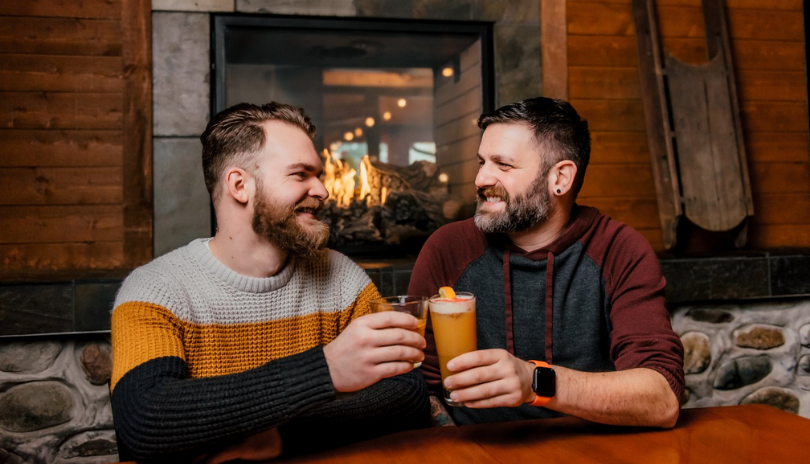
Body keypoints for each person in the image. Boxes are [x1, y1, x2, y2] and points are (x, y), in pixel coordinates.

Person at [111, 102, 430, 462]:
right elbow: (145, 420)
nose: (324, 190)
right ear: (239, 185)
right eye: (300, 175)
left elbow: (408, 394)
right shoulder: (156, 289)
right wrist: (325, 371)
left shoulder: (340, 275)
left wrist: (280, 438)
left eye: (319, 175)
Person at [408, 97, 684, 428]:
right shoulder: (448, 248)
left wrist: (536, 381)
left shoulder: (619, 249)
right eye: (482, 162)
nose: (481, 179)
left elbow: (662, 398)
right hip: (478, 448)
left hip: (593, 450)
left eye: (503, 165)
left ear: (561, 178)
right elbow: (418, 385)